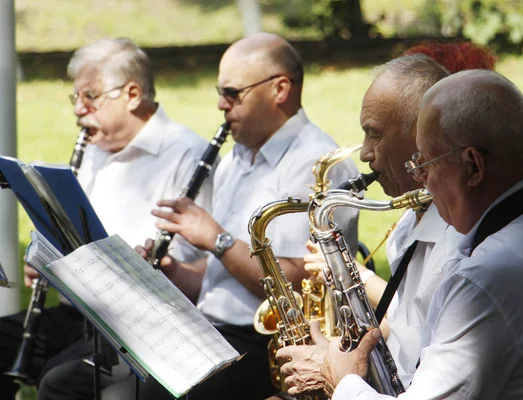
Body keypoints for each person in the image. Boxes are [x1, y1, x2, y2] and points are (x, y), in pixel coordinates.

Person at [98, 33, 359, 400]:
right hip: (214, 331)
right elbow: (221, 280)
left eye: (232, 93)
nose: (222, 105)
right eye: (220, 92)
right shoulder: (236, 160)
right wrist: (171, 271)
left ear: (280, 89)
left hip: (270, 345)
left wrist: (218, 240)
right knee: (117, 385)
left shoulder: (313, 163)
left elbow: (299, 284)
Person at [321, 70, 523, 398]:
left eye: (426, 163)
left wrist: (343, 379)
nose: (423, 180)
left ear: (473, 166)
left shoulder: (485, 278)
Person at [0, 37, 215, 400]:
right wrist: (49, 260)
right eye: (75, 99)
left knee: (59, 381)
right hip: (79, 312)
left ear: (132, 94)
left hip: (139, 326)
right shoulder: (93, 150)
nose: (79, 110)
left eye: (90, 97)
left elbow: (195, 266)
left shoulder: (186, 155)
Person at [283, 42, 496, 397]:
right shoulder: (408, 226)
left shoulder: (462, 248)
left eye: (375, 133)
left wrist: (337, 377)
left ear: (422, 140)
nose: (365, 153)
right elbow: (403, 330)